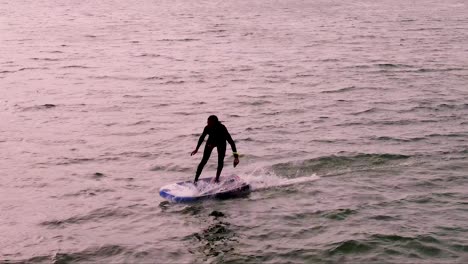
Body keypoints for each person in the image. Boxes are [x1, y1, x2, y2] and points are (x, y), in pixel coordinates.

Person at [191, 115, 239, 184]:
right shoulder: (207, 128)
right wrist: (196, 149)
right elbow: (202, 137)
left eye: (209, 123)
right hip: (211, 141)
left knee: (220, 161)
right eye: (207, 122)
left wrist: (236, 157)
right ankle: (195, 180)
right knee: (203, 161)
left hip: (221, 142)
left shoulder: (222, 128)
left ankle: (217, 179)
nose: (207, 124)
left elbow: (231, 142)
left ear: (214, 122)